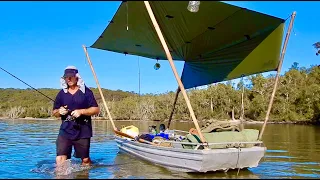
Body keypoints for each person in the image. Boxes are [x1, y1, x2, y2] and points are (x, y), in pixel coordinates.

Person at [52, 66, 100, 166]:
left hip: (83, 130)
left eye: (71, 76)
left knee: (85, 160)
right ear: (64, 79)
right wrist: (59, 111)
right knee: (60, 159)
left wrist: (81, 111)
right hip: (65, 130)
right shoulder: (61, 94)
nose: (68, 79)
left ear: (77, 77)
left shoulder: (87, 92)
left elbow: (96, 109)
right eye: (66, 77)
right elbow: (54, 112)